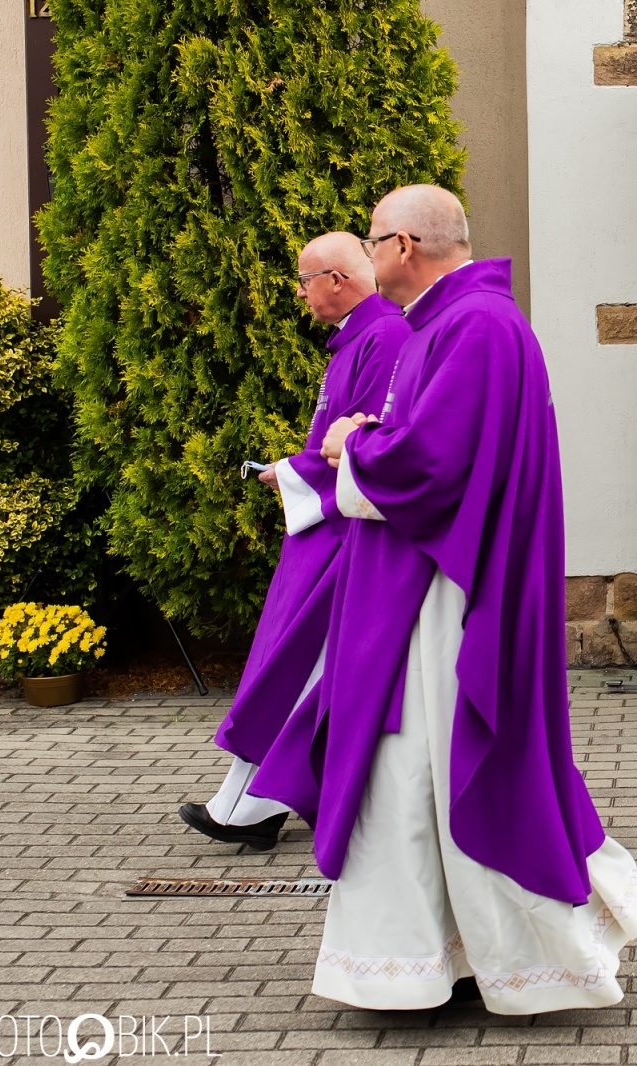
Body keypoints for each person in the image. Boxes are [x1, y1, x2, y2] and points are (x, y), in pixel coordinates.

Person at [253, 185, 637, 1012]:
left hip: (446, 597)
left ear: (404, 246)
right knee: (415, 774)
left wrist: (353, 443)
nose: (368, 255)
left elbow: (434, 464)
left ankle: (497, 964)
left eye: (373, 240)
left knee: (424, 770)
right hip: (430, 585)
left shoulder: (475, 327)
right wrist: (369, 439)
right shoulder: (456, 322)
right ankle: (444, 956)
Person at [179, 232, 405, 852]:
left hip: (344, 534)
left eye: (305, 280)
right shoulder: (363, 336)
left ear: (337, 278)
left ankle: (251, 807)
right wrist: (299, 466)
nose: (300, 294)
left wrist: (298, 472)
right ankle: (259, 801)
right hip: (328, 526)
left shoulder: (382, 337)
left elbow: (367, 442)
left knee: (298, 668)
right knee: (296, 666)